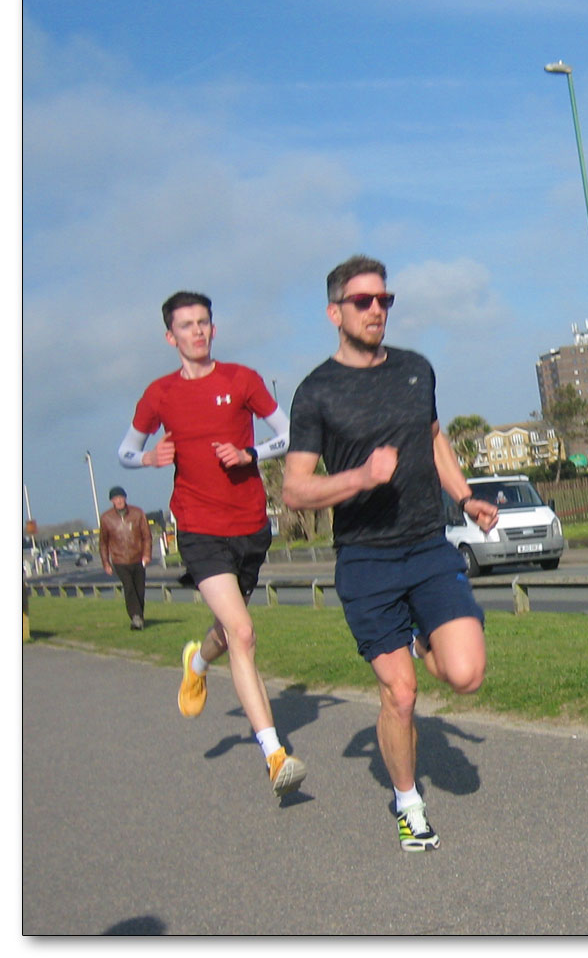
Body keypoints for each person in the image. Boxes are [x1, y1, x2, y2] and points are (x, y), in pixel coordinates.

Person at [282, 254, 498, 852]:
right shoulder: (315, 393)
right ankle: (408, 802)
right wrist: (359, 479)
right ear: (335, 312)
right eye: (363, 301)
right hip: (366, 561)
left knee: (466, 675)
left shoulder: (415, 370)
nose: (377, 309)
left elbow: (433, 438)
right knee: (401, 694)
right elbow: (295, 489)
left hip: (427, 544)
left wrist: (465, 496)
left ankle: (422, 634)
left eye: (385, 300)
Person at [117, 290, 306, 799]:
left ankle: (197, 662)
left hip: (249, 524)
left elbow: (288, 434)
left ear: (212, 330)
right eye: (186, 325)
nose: (196, 332)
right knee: (243, 633)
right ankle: (274, 755)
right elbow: (124, 451)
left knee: (227, 634)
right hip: (199, 527)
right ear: (170, 336)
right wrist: (150, 458)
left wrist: (250, 453)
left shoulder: (240, 378)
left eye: (203, 323)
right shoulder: (159, 394)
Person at [99, 486, 152, 630]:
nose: (119, 501)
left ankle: (139, 616)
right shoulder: (106, 518)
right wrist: (106, 563)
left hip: (138, 557)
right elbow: (103, 543)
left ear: (125, 498)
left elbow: (147, 536)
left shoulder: (137, 513)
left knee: (139, 590)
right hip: (119, 560)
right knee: (129, 587)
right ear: (112, 501)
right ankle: (135, 617)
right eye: (116, 499)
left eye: (121, 498)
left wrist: (147, 554)